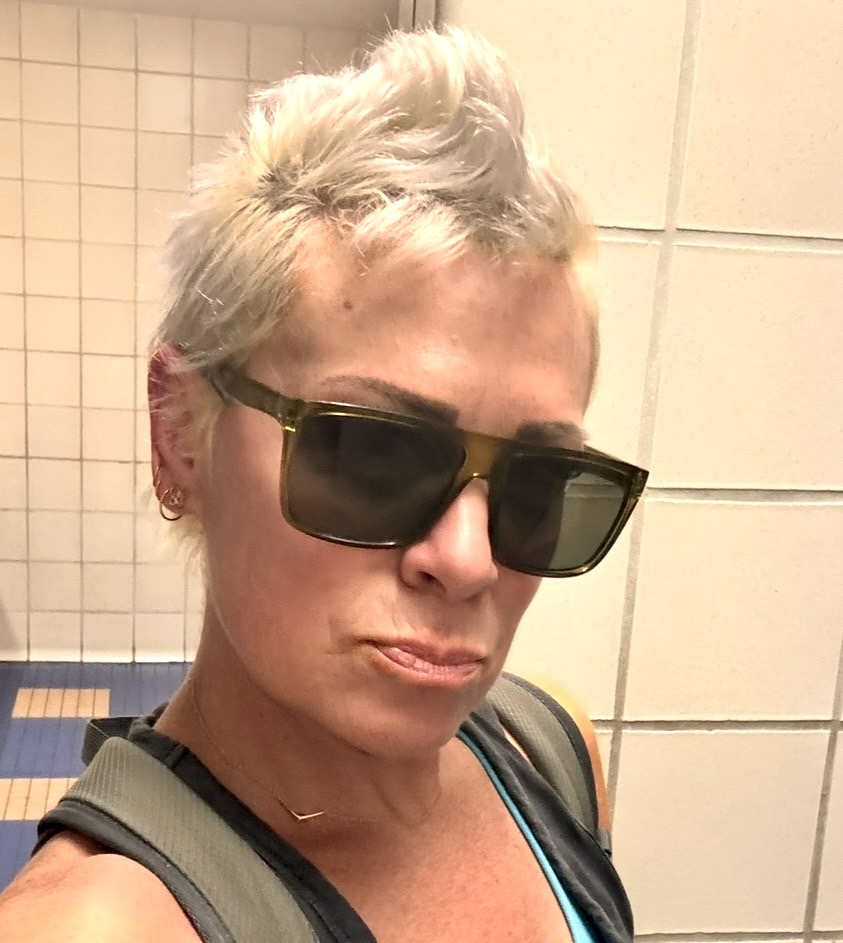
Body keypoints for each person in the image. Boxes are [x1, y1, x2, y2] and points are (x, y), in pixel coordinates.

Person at [0, 27, 646, 942]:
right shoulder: (100, 926)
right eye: (370, 453)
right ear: (179, 431)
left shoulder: (547, 746)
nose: (468, 560)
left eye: (538, 483)